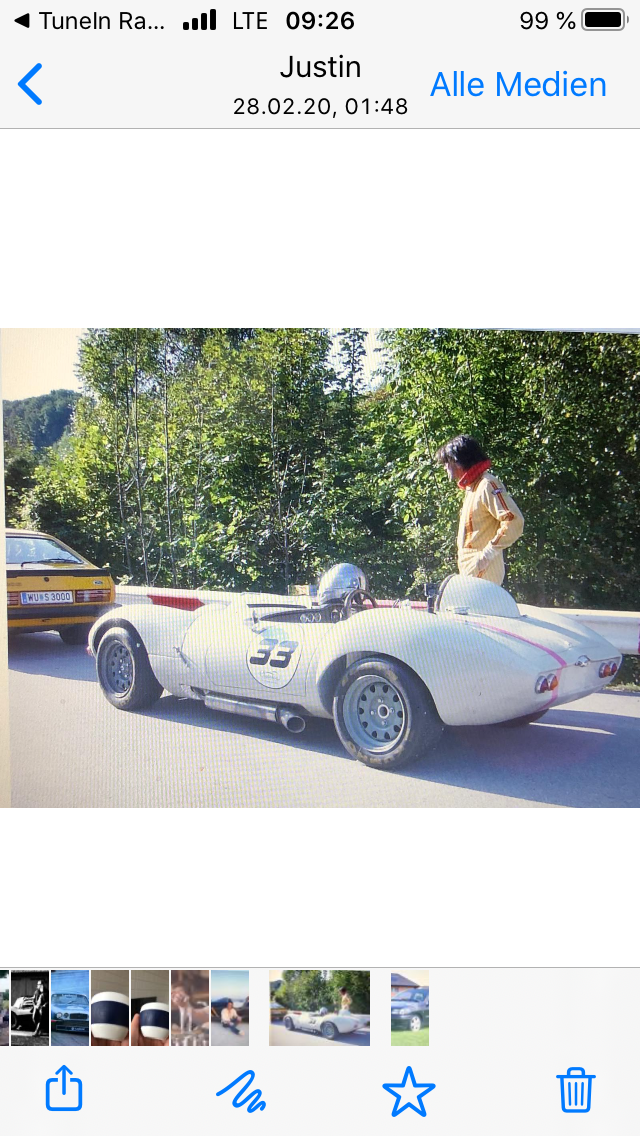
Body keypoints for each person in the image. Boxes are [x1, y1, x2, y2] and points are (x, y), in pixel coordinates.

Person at [435, 435, 524, 586]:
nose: (445, 467)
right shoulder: (472, 488)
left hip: (484, 573)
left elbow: (514, 520)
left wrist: (488, 554)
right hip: (474, 573)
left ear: (458, 461)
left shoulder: (487, 484)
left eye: (447, 462)